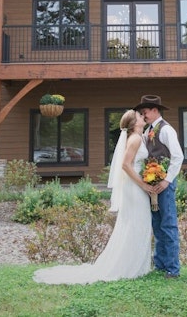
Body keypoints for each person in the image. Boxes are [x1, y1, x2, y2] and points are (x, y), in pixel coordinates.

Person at [33, 109, 154, 284]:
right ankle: (130, 267)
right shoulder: (134, 139)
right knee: (136, 223)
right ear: (134, 124)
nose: (142, 116)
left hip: (135, 186)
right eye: (138, 116)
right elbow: (126, 166)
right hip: (135, 188)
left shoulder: (139, 137)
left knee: (136, 223)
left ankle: (136, 265)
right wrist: (143, 184)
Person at [132, 94, 184, 279]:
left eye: (145, 112)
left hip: (164, 184)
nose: (143, 115)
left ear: (154, 111)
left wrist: (167, 180)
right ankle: (161, 264)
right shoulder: (148, 131)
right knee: (157, 224)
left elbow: (178, 157)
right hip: (152, 184)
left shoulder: (166, 130)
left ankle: (172, 269)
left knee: (168, 224)